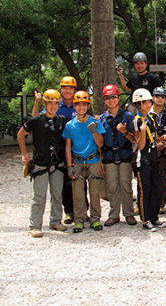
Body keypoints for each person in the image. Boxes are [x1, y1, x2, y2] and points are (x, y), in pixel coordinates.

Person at [18, 90, 67, 238]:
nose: (53, 106)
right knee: (39, 196)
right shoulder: (36, 121)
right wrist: (24, 153)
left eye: (56, 103)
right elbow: (21, 134)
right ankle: (35, 225)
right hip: (40, 162)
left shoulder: (61, 120)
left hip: (57, 162)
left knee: (57, 194)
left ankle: (55, 220)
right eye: (50, 103)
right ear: (45, 103)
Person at [32, 76, 78, 225]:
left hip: (74, 148)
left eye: (71, 87)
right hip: (57, 149)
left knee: (76, 183)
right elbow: (35, 120)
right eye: (65, 87)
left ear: (74, 90)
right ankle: (68, 212)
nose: (68, 90)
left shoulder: (78, 103)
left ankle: (80, 212)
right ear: (61, 89)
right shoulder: (55, 102)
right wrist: (37, 101)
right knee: (62, 184)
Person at [62, 91, 106, 233]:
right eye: (78, 105)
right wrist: (69, 166)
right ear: (74, 106)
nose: (81, 107)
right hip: (78, 162)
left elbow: (100, 144)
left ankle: (95, 219)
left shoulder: (95, 122)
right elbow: (68, 146)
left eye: (84, 105)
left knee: (94, 192)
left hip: (93, 160)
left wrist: (94, 132)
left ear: (88, 106)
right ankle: (79, 219)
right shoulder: (70, 125)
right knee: (78, 193)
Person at [131, 88, 166, 231]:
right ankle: (146, 219)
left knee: (157, 188)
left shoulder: (150, 118)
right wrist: (142, 130)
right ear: (138, 104)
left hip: (154, 157)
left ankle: (154, 217)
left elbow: (152, 137)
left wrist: (162, 138)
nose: (148, 104)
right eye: (144, 102)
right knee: (144, 190)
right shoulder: (137, 121)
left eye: (148, 101)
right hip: (143, 159)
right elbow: (140, 144)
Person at [100, 85, 137, 227]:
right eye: (108, 98)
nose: (111, 100)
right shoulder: (103, 118)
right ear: (104, 100)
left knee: (126, 185)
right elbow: (100, 141)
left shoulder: (127, 116)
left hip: (125, 154)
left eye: (114, 97)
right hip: (109, 155)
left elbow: (133, 138)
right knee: (112, 186)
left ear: (119, 98)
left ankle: (129, 214)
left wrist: (124, 132)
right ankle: (114, 214)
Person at [150, 86, 166, 215]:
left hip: (164, 152)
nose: (160, 99)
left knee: (162, 178)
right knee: (147, 179)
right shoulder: (146, 113)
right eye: (157, 96)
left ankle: (161, 204)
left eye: (163, 96)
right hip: (149, 150)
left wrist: (163, 144)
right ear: (153, 97)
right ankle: (145, 203)